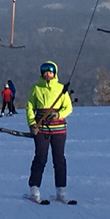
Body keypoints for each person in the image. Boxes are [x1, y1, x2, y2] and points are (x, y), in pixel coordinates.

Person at [25, 60, 73, 205]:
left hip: (59, 129)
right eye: (45, 71)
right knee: (40, 158)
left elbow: (68, 107)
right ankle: (34, 189)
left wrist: (58, 115)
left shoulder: (61, 89)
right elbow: (29, 107)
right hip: (41, 129)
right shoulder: (36, 88)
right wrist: (32, 123)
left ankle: (61, 190)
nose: (48, 74)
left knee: (59, 160)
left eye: (50, 71)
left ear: (55, 73)